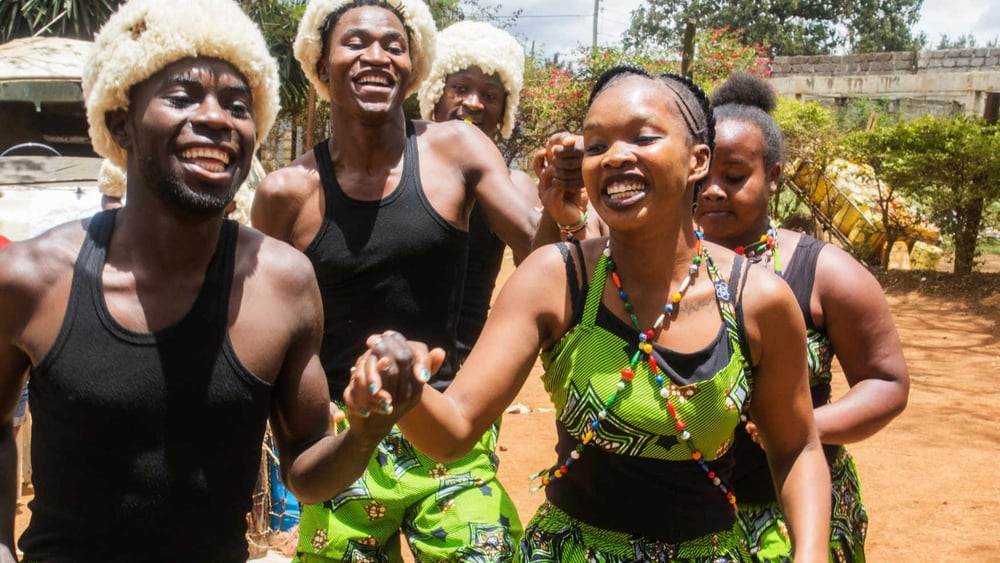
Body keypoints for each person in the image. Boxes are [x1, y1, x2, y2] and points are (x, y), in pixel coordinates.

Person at [352, 65, 833, 561]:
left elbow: (796, 446)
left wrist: (811, 554)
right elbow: (452, 433)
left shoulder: (757, 300)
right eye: (597, 145)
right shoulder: (555, 279)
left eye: (643, 138)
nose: (615, 156)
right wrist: (405, 388)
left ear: (697, 160)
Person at [0, 1, 420, 560]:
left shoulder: (282, 285)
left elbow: (306, 469)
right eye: (181, 97)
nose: (217, 118)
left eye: (238, 104)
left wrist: (365, 433)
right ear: (121, 119)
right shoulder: (32, 278)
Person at [251, 0, 537, 560]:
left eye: (394, 45)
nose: (376, 56)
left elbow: (540, 252)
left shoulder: (456, 150)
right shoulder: (288, 193)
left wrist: (560, 203)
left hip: (447, 428)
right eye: (355, 43)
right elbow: (267, 333)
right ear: (320, 64)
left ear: (413, 66)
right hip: (342, 443)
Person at [696, 72, 910, 562]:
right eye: (702, 174)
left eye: (733, 177)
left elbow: (886, 382)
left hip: (796, 522)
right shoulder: (658, 269)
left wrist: (805, 425)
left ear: (772, 175)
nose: (711, 191)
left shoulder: (825, 273)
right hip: (690, 522)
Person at [416, 20, 539, 362]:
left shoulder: (515, 187)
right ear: (435, 92)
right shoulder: (395, 172)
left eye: (490, 95)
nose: (474, 103)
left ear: (504, 111)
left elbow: (546, 264)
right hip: (382, 375)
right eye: (460, 87)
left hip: (467, 384)